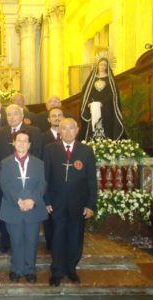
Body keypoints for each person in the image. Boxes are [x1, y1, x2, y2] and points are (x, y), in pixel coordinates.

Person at [43, 118, 97, 287]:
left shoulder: (86, 150)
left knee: (75, 236)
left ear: (77, 130)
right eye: (63, 128)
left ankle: (71, 269)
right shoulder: (50, 149)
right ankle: (57, 271)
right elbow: (45, 177)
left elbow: (91, 181)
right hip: (56, 203)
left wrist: (90, 204)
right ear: (59, 131)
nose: (67, 131)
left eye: (70, 128)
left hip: (78, 203)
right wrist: (46, 200)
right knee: (57, 237)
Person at [0, 104, 43, 253]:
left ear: (22, 115)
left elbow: (38, 155)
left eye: (15, 114)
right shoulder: (0, 133)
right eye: (8, 114)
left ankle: (25, 250)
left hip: (28, 183)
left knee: (27, 220)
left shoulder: (34, 131)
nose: (11, 117)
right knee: (7, 214)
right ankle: (5, 243)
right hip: (7, 185)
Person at [0, 129, 47, 283]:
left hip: (33, 208)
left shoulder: (38, 163)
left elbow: (42, 184)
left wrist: (32, 200)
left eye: (25, 141)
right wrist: (18, 200)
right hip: (13, 207)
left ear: (29, 144)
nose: (21, 143)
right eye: (18, 140)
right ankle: (16, 269)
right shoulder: (5, 163)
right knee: (16, 240)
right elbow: (4, 184)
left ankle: (30, 270)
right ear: (14, 143)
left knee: (32, 240)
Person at [80, 57, 125, 141]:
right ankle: (92, 143)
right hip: (93, 108)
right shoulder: (91, 79)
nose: (102, 67)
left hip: (107, 109)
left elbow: (113, 94)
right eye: (101, 64)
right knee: (93, 127)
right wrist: (90, 103)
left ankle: (107, 145)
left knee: (106, 126)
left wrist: (102, 103)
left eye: (105, 65)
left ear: (107, 67)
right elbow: (86, 93)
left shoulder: (110, 79)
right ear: (97, 66)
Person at [40, 107, 64, 250]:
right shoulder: (42, 137)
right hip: (49, 181)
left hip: (66, 184)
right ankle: (50, 244)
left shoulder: (71, 136)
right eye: (53, 116)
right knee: (50, 216)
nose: (56, 118)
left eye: (59, 115)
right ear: (48, 119)